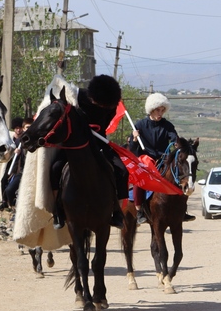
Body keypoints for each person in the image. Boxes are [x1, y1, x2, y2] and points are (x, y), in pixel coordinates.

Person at [49, 75, 129, 229]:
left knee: (122, 171)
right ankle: (57, 209)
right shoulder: (78, 97)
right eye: (97, 102)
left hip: (99, 142)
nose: (99, 106)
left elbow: (104, 126)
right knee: (55, 168)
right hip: (75, 142)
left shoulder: (110, 105)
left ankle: (117, 212)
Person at [131, 92, 195, 222]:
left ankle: (182, 209)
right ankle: (140, 210)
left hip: (163, 159)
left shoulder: (167, 125)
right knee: (139, 180)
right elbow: (132, 148)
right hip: (146, 159)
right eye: (157, 110)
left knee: (178, 175)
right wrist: (134, 139)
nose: (160, 113)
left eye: (162, 110)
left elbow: (174, 138)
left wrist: (178, 144)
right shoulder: (140, 125)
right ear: (151, 110)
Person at [0, 117, 31, 210]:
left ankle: (13, 205)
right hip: (12, 163)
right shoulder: (13, 140)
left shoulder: (24, 139)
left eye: (20, 128)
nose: (18, 130)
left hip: (20, 167)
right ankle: (4, 201)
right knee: (3, 180)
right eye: (16, 128)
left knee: (12, 188)